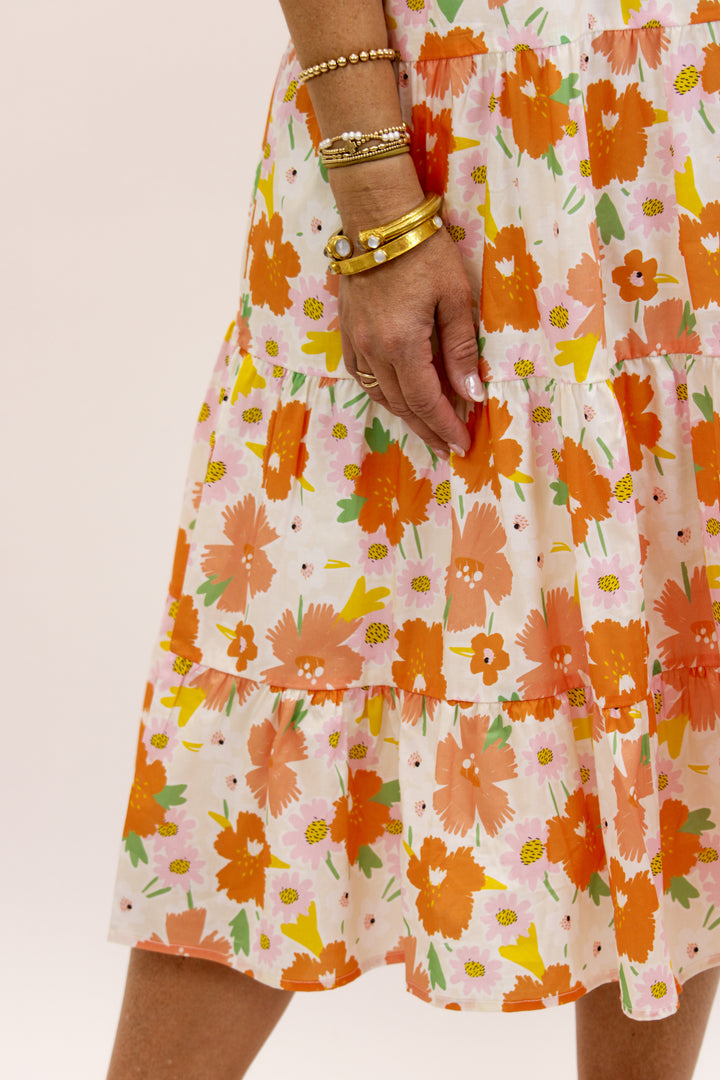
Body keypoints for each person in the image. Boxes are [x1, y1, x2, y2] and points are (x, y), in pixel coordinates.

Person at [107, 1, 720, 1077]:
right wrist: (380, 203)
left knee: (676, 673)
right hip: (456, 135)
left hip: (682, 124)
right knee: (294, 676)